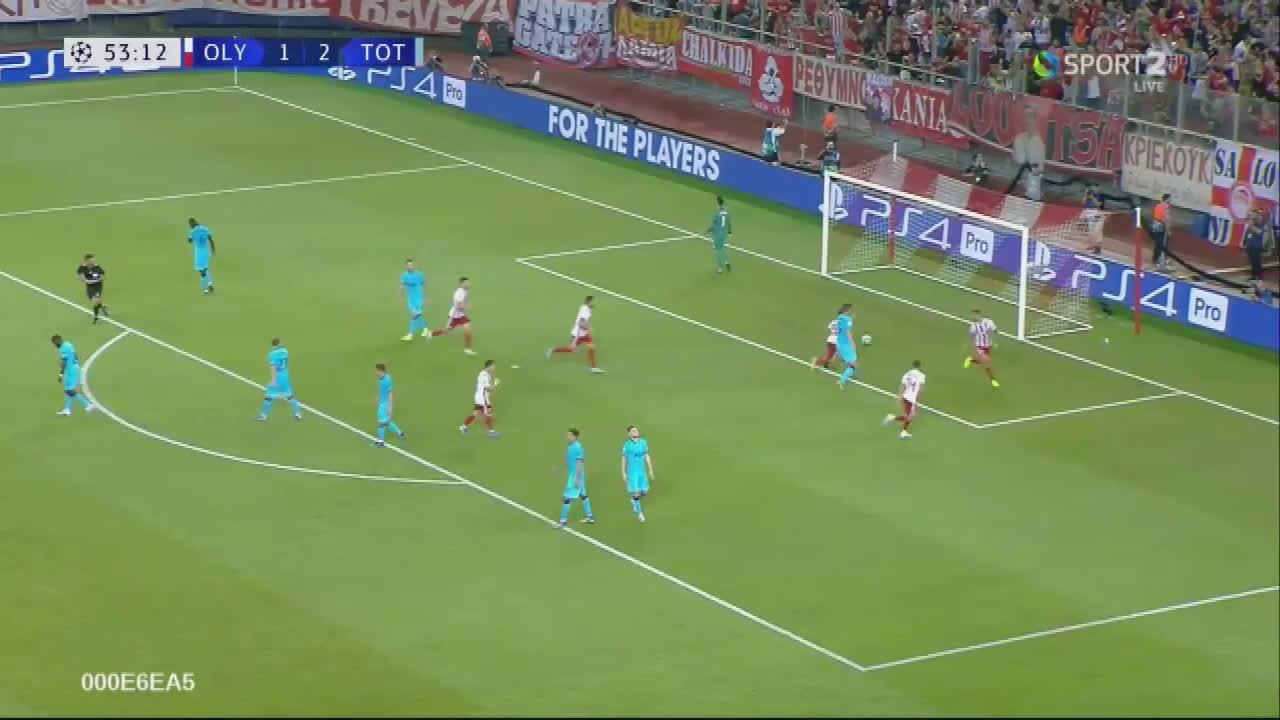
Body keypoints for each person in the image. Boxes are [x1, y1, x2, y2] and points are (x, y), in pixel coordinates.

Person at [547, 295, 603, 373]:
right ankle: (552, 350)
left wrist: (587, 329)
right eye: (592, 302)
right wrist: (588, 328)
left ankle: (593, 368)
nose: (594, 303)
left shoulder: (584, 307)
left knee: (591, 348)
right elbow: (581, 324)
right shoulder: (585, 312)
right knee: (570, 349)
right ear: (589, 302)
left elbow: (585, 309)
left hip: (585, 334)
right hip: (578, 335)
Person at [258, 338, 301, 421]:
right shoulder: (285, 351)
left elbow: (273, 368)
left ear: (272, 345)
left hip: (277, 376)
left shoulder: (272, 354)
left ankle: (263, 416)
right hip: (285, 375)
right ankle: (298, 413)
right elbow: (286, 362)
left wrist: (273, 381)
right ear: (279, 343)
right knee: (290, 396)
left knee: (268, 397)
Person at [558, 428, 594, 528]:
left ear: (575, 436)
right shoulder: (571, 446)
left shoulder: (577, 447)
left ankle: (563, 521)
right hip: (576, 475)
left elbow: (579, 464)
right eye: (567, 435)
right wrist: (560, 467)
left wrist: (577, 479)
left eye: (570, 435)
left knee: (566, 498)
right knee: (583, 495)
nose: (568, 437)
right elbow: (568, 459)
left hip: (575, 476)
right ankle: (590, 517)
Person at [51, 334, 94, 416]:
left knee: (70, 391)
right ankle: (67, 409)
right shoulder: (69, 344)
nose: (55, 345)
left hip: (71, 371)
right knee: (67, 391)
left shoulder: (63, 348)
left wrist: (61, 374)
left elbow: (64, 361)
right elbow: (75, 356)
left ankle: (88, 404)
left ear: (58, 340)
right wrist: (75, 363)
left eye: (54, 343)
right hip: (72, 368)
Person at [431, 276, 475, 354]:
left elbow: (466, 299)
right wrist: (465, 309)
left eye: (468, 282)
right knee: (446, 331)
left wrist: (467, 304)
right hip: (454, 315)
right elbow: (458, 306)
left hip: (461, 315)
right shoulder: (458, 293)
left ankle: (467, 349)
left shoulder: (465, 290)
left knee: (468, 330)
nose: (468, 284)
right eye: (466, 283)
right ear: (461, 284)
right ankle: (431, 333)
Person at [883, 360, 926, 439]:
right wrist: (918, 399)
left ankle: (903, 431)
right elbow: (921, 388)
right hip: (912, 399)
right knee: (908, 416)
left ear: (913, 366)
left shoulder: (907, 374)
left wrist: (899, 396)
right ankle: (891, 418)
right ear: (919, 367)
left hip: (905, 396)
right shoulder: (922, 376)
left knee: (909, 416)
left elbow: (902, 385)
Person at [621, 425, 654, 523]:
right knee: (636, 492)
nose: (635, 431)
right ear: (629, 434)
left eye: (636, 430)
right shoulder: (627, 445)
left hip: (642, 472)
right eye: (633, 430)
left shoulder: (643, 442)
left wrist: (650, 469)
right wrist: (623, 472)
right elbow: (624, 459)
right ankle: (640, 513)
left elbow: (646, 455)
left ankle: (634, 500)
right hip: (633, 472)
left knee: (644, 492)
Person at [460, 359, 500, 437]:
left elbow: (478, 385)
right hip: (483, 398)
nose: (494, 367)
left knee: (476, 413)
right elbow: (489, 389)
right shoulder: (486, 376)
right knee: (488, 414)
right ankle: (491, 431)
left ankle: (463, 427)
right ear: (489, 366)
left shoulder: (481, 373)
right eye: (493, 366)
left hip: (479, 396)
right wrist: (496, 384)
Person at [372, 363, 405, 448]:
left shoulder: (387, 380)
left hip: (385, 404)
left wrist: (389, 407)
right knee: (387, 422)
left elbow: (390, 393)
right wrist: (378, 397)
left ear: (381, 371)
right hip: (382, 402)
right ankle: (400, 432)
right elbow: (381, 390)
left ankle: (381, 442)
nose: (376, 372)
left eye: (377, 371)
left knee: (381, 422)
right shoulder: (381, 379)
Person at [964, 309, 999, 388]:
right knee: (987, 363)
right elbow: (971, 335)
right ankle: (993, 380)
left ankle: (971, 359)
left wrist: (994, 341)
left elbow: (995, 330)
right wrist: (968, 343)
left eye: (974, 315)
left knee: (981, 361)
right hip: (979, 346)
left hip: (988, 346)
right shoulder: (973, 325)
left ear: (980, 315)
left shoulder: (988, 322)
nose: (973, 317)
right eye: (972, 316)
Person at [400, 259, 429, 342]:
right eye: (408, 265)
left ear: (414, 265)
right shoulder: (404, 275)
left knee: (415, 315)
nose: (410, 266)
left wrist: (425, 297)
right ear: (406, 266)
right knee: (418, 315)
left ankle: (410, 334)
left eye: (412, 265)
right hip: (410, 299)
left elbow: (424, 284)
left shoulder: (419, 274)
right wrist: (401, 293)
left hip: (418, 298)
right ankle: (425, 329)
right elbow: (402, 284)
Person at [76, 253, 108, 323]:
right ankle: (103, 306)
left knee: (95, 301)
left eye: (93, 260)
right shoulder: (82, 268)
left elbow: (103, 276)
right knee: (95, 301)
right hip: (90, 287)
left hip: (98, 286)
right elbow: (82, 279)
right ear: (86, 261)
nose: (93, 262)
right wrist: (87, 280)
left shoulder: (97, 267)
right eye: (91, 260)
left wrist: (101, 278)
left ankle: (96, 317)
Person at [187, 217, 215, 294]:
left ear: (191, 224)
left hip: (199, 252)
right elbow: (210, 239)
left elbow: (190, 241)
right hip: (206, 251)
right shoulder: (205, 228)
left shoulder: (192, 231)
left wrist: (190, 238)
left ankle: (205, 290)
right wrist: (213, 250)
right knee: (205, 268)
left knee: (201, 271)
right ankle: (210, 283)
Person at [834, 303, 857, 388]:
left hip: (839, 343)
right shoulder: (848, 319)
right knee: (853, 365)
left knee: (847, 360)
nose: (851, 311)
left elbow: (838, 330)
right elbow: (847, 332)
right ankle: (842, 381)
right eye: (850, 310)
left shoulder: (838, 318)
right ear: (847, 311)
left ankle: (842, 359)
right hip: (845, 345)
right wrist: (853, 343)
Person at [708, 195, 732, 273]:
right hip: (724, 233)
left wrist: (708, 230)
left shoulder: (717, 213)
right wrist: (730, 232)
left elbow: (713, 225)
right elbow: (729, 222)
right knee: (722, 248)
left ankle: (720, 268)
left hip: (717, 233)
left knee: (717, 251)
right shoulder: (726, 212)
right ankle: (727, 262)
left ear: (717, 203)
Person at [1243, 209, 1267, 281]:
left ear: (1257, 215)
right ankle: (1253, 276)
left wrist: (1251, 226)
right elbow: (1247, 234)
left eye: (1252, 214)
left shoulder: (1261, 223)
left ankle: (1259, 277)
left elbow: (1260, 232)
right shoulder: (1251, 223)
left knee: (1257, 262)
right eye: (1250, 215)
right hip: (1250, 245)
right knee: (1252, 262)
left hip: (1256, 246)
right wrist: (1245, 243)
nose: (1251, 216)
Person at [1151, 193, 1171, 271]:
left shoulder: (1157, 205)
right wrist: (1168, 230)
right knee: (1163, 243)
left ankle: (1155, 259)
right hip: (1162, 226)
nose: (1170, 200)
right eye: (1169, 199)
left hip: (1155, 224)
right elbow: (1166, 219)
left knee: (1157, 243)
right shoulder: (1166, 207)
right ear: (1167, 199)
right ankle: (1161, 260)